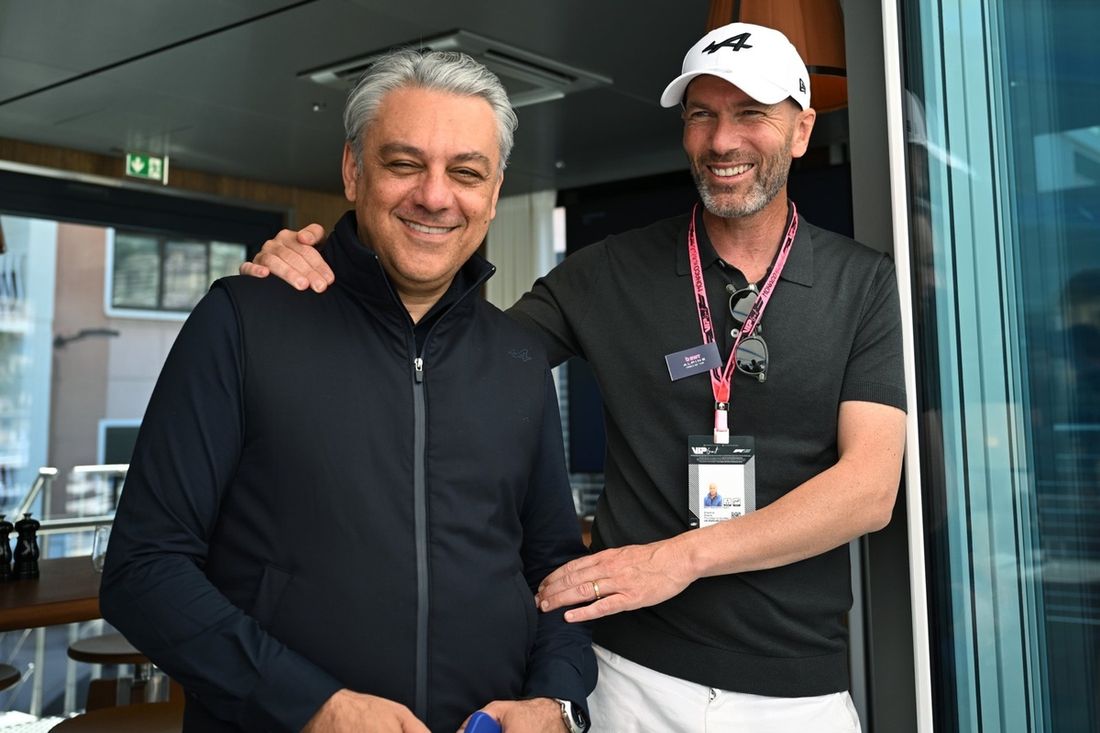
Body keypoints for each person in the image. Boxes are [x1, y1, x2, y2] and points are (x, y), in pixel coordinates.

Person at [243, 22, 907, 732]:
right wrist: (327, 269)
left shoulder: (862, 283)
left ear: (802, 131)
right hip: (626, 677)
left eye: (751, 114)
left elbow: (868, 490)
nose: (722, 141)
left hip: (797, 692)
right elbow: (452, 354)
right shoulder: (608, 270)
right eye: (701, 116)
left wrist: (676, 559)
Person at [100, 49, 596, 733]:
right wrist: (312, 707)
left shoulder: (517, 358)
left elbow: (556, 570)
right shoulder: (243, 320)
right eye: (403, 163)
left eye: (465, 172)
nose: (434, 194)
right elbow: (142, 572)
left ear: (494, 191)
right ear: (353, 171)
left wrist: (558, 700)